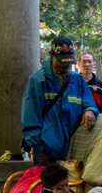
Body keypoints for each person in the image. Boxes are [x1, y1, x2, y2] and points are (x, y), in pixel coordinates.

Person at [21, 34, 97, 165]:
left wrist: (89, 110)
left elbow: (89, 103)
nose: (65, 66)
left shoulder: (77, 80)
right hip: (46, 153)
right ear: (51, 54)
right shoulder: (38, 81)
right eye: (62, 61)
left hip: (73, 153)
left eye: (68, 62)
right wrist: (40, 150)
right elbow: (30, 120)